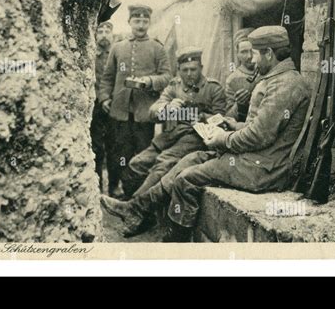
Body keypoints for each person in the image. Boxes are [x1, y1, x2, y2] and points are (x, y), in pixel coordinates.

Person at [100, 25, 311, 242]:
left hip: (265, 169)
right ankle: (136, 208)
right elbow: (259, 129)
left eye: (255, 53)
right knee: (191, 159)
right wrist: (232, 124)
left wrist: (222, 138)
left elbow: (259, 136)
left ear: (269, 53)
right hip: (257, 159)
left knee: (187, 179)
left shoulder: (284, 84)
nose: (252, 60)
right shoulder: (278, 80)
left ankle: (175, 243)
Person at [120, 47, 226, 207]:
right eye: (185, 70)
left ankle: (134, 207)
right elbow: (153, 112)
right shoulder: (173, 87)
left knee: (163, 163)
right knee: (137, 163)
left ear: (201, 68)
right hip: (170, 136)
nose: (189, 74)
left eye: (193, 69)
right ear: (178, 70)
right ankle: (136, 206)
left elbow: (221, 121)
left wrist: (202, 117)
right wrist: (168, 108)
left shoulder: (213, 88)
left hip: (196, 139)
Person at [98, 4, 172, 198]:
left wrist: (149, 81)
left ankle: (136, 193)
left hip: (143, 113)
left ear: (149, 22)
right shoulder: (118, 47)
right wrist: (105, 97)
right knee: (119, 153)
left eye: (144, 21)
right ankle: (115, 189)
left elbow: (166, 77)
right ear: (129, 22)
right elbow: (107, 77)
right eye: (137, 21)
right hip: (119, 111)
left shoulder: (157, 48)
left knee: (141, 154)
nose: (141, 25)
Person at [90, 21, 118, 194]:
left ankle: (114, 187)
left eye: (108, 30)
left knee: (114, 146)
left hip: (112, 105)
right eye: (100, 31)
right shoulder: (91, 54)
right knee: (96, 147)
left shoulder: (116, 55)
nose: (104, 34)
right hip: (94, 108)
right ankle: (97, 186)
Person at [225, 27, 260, 122]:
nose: (249, 56)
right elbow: (228, 117)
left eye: (252, 51)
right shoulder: (232, 79)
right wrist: (239, 105)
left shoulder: (265, 72)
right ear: (237, 54)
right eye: (244, 52)